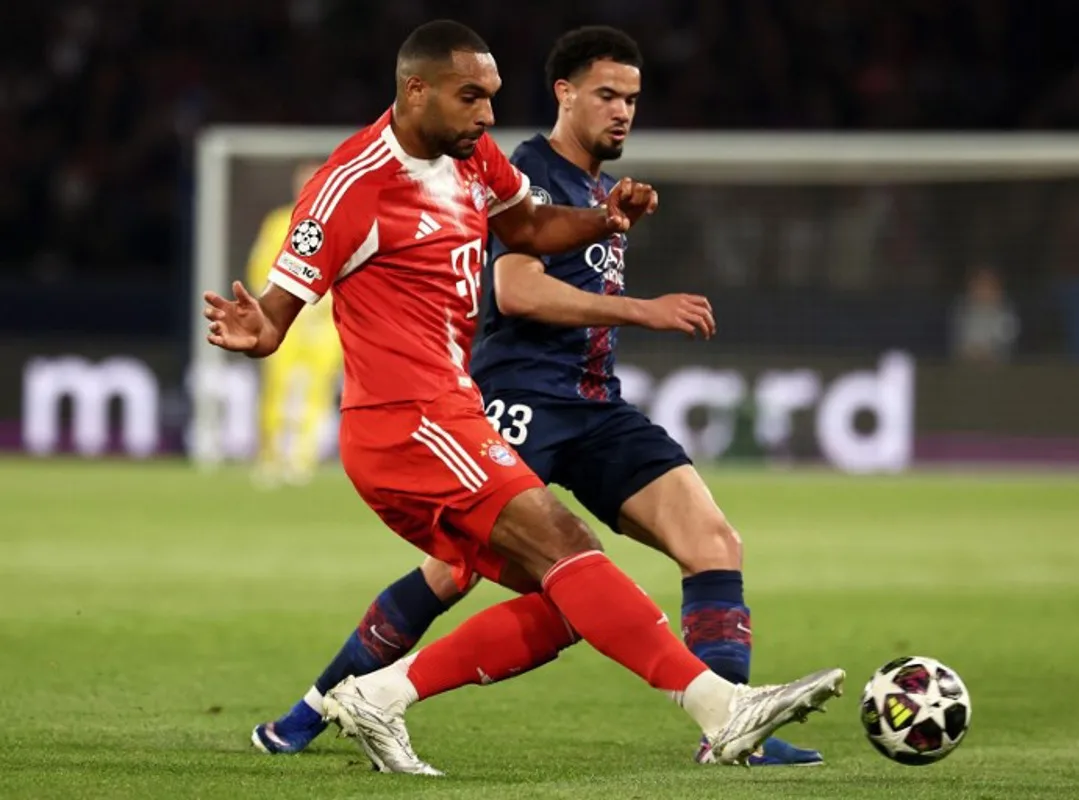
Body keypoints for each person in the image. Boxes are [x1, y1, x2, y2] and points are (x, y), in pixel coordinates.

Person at [205, 19, 843, 775]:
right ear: (417, 90)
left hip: (494, 409)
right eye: (471, 97)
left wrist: (603, 219)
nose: (487, 115)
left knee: (573, 590)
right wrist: (257, 328)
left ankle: (375, 696)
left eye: (492, 96)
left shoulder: (474, 157)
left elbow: (531, 226)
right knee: (530, 560)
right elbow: (279, 315)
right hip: (418, 421)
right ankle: (724, 710)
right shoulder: (350, 185)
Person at [244, 160, 341, 487]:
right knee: (277, 389)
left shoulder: (341, 221)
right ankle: (271, 457)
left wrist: (325, 305)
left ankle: (302, 459)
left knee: (316, 392)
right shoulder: (277, 223)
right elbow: (260, 269)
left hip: (324, 326)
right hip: (285, 323)